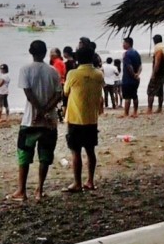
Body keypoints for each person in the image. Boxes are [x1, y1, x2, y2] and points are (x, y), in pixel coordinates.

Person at [7, 40, 62, 202]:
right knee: (45, 156)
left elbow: (29, 93)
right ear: (45, 53)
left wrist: (38, 111)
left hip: (30, 120)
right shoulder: (53, 71)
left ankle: (22, 190)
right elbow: (58, 95)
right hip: (49, 121)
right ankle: (39, 189)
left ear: (31, 52)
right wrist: (45, 111)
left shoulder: (25, 70)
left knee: (24, 155)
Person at [63, 46, 104, 192]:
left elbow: (66, 91)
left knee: (75, 152)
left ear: (77, 59)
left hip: (75, 118)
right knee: (90, 151)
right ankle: (90, 181)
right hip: (91, 118)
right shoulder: (98, 74)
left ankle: (77, 183)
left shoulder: (73, 74)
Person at [146, 34, 164, 114]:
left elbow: (157, 63)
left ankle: (149, 109)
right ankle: (159, 108)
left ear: (154, 41)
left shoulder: (158, 49)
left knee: (150, 91)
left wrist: (153, 74)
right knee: (160, 91)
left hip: (158, 73)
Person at [120, 37, 141, 118]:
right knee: (134, 95)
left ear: (128, 43)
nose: (123, 45)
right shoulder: (136, 53)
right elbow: (140, 66)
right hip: (135, 79)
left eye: (124, 43)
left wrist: (133, 75)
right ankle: (135, 111)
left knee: (127, 97)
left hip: (128, 78)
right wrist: (137, 74)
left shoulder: (126, 54)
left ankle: (126, 113)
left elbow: (129, 66)